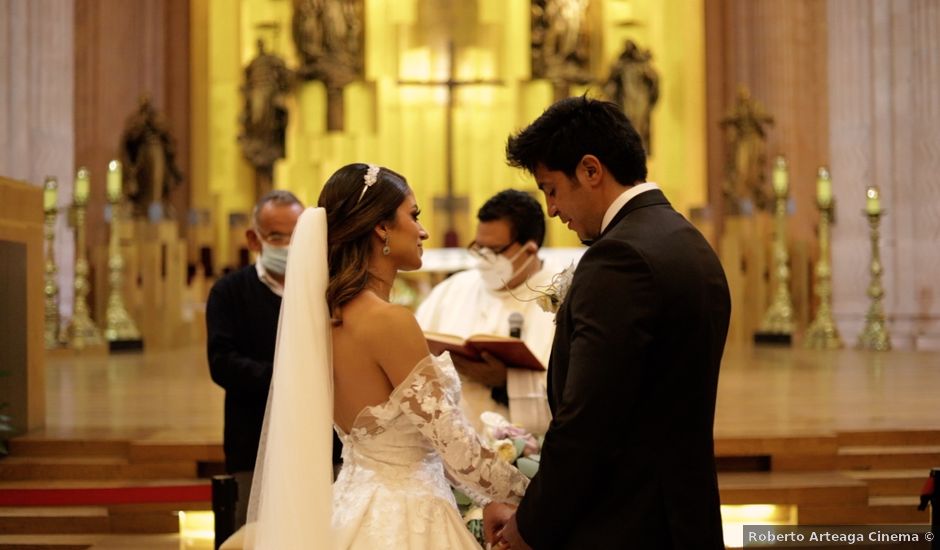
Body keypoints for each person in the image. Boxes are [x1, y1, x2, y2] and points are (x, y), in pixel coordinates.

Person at [240, 164, 530, 549]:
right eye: (413, 215)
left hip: (348, 509)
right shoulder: (389, 321)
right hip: (407, 518)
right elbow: (455, 446)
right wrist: (531, 494)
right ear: (382, 228)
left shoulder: (324, 320)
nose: (423, 230)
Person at [488, 96, 731, 549]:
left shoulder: (620, 258)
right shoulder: (687, 241)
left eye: (551, 189)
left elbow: (587, 420)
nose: (553, 209)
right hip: (683, 513)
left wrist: (531, 524)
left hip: (626, 525)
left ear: (591, 170)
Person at [207, 190, 342, 530]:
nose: (288, 245)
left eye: (297, 235)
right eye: (278, 236)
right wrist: (289, 379)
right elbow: (222, 361)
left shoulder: (329, 289)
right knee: (254, 532)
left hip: (324, 443)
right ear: (255, 239)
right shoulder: (229, 291)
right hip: (253, 444)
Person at [415, 189, 557, 435]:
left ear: (530, 250)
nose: (483, 258)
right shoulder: (452, 290)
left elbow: (571, 392)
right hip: (453, 447)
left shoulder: (560, 298)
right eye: (479, 248)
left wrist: (504, 381)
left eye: (495, 250)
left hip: (526, 452)